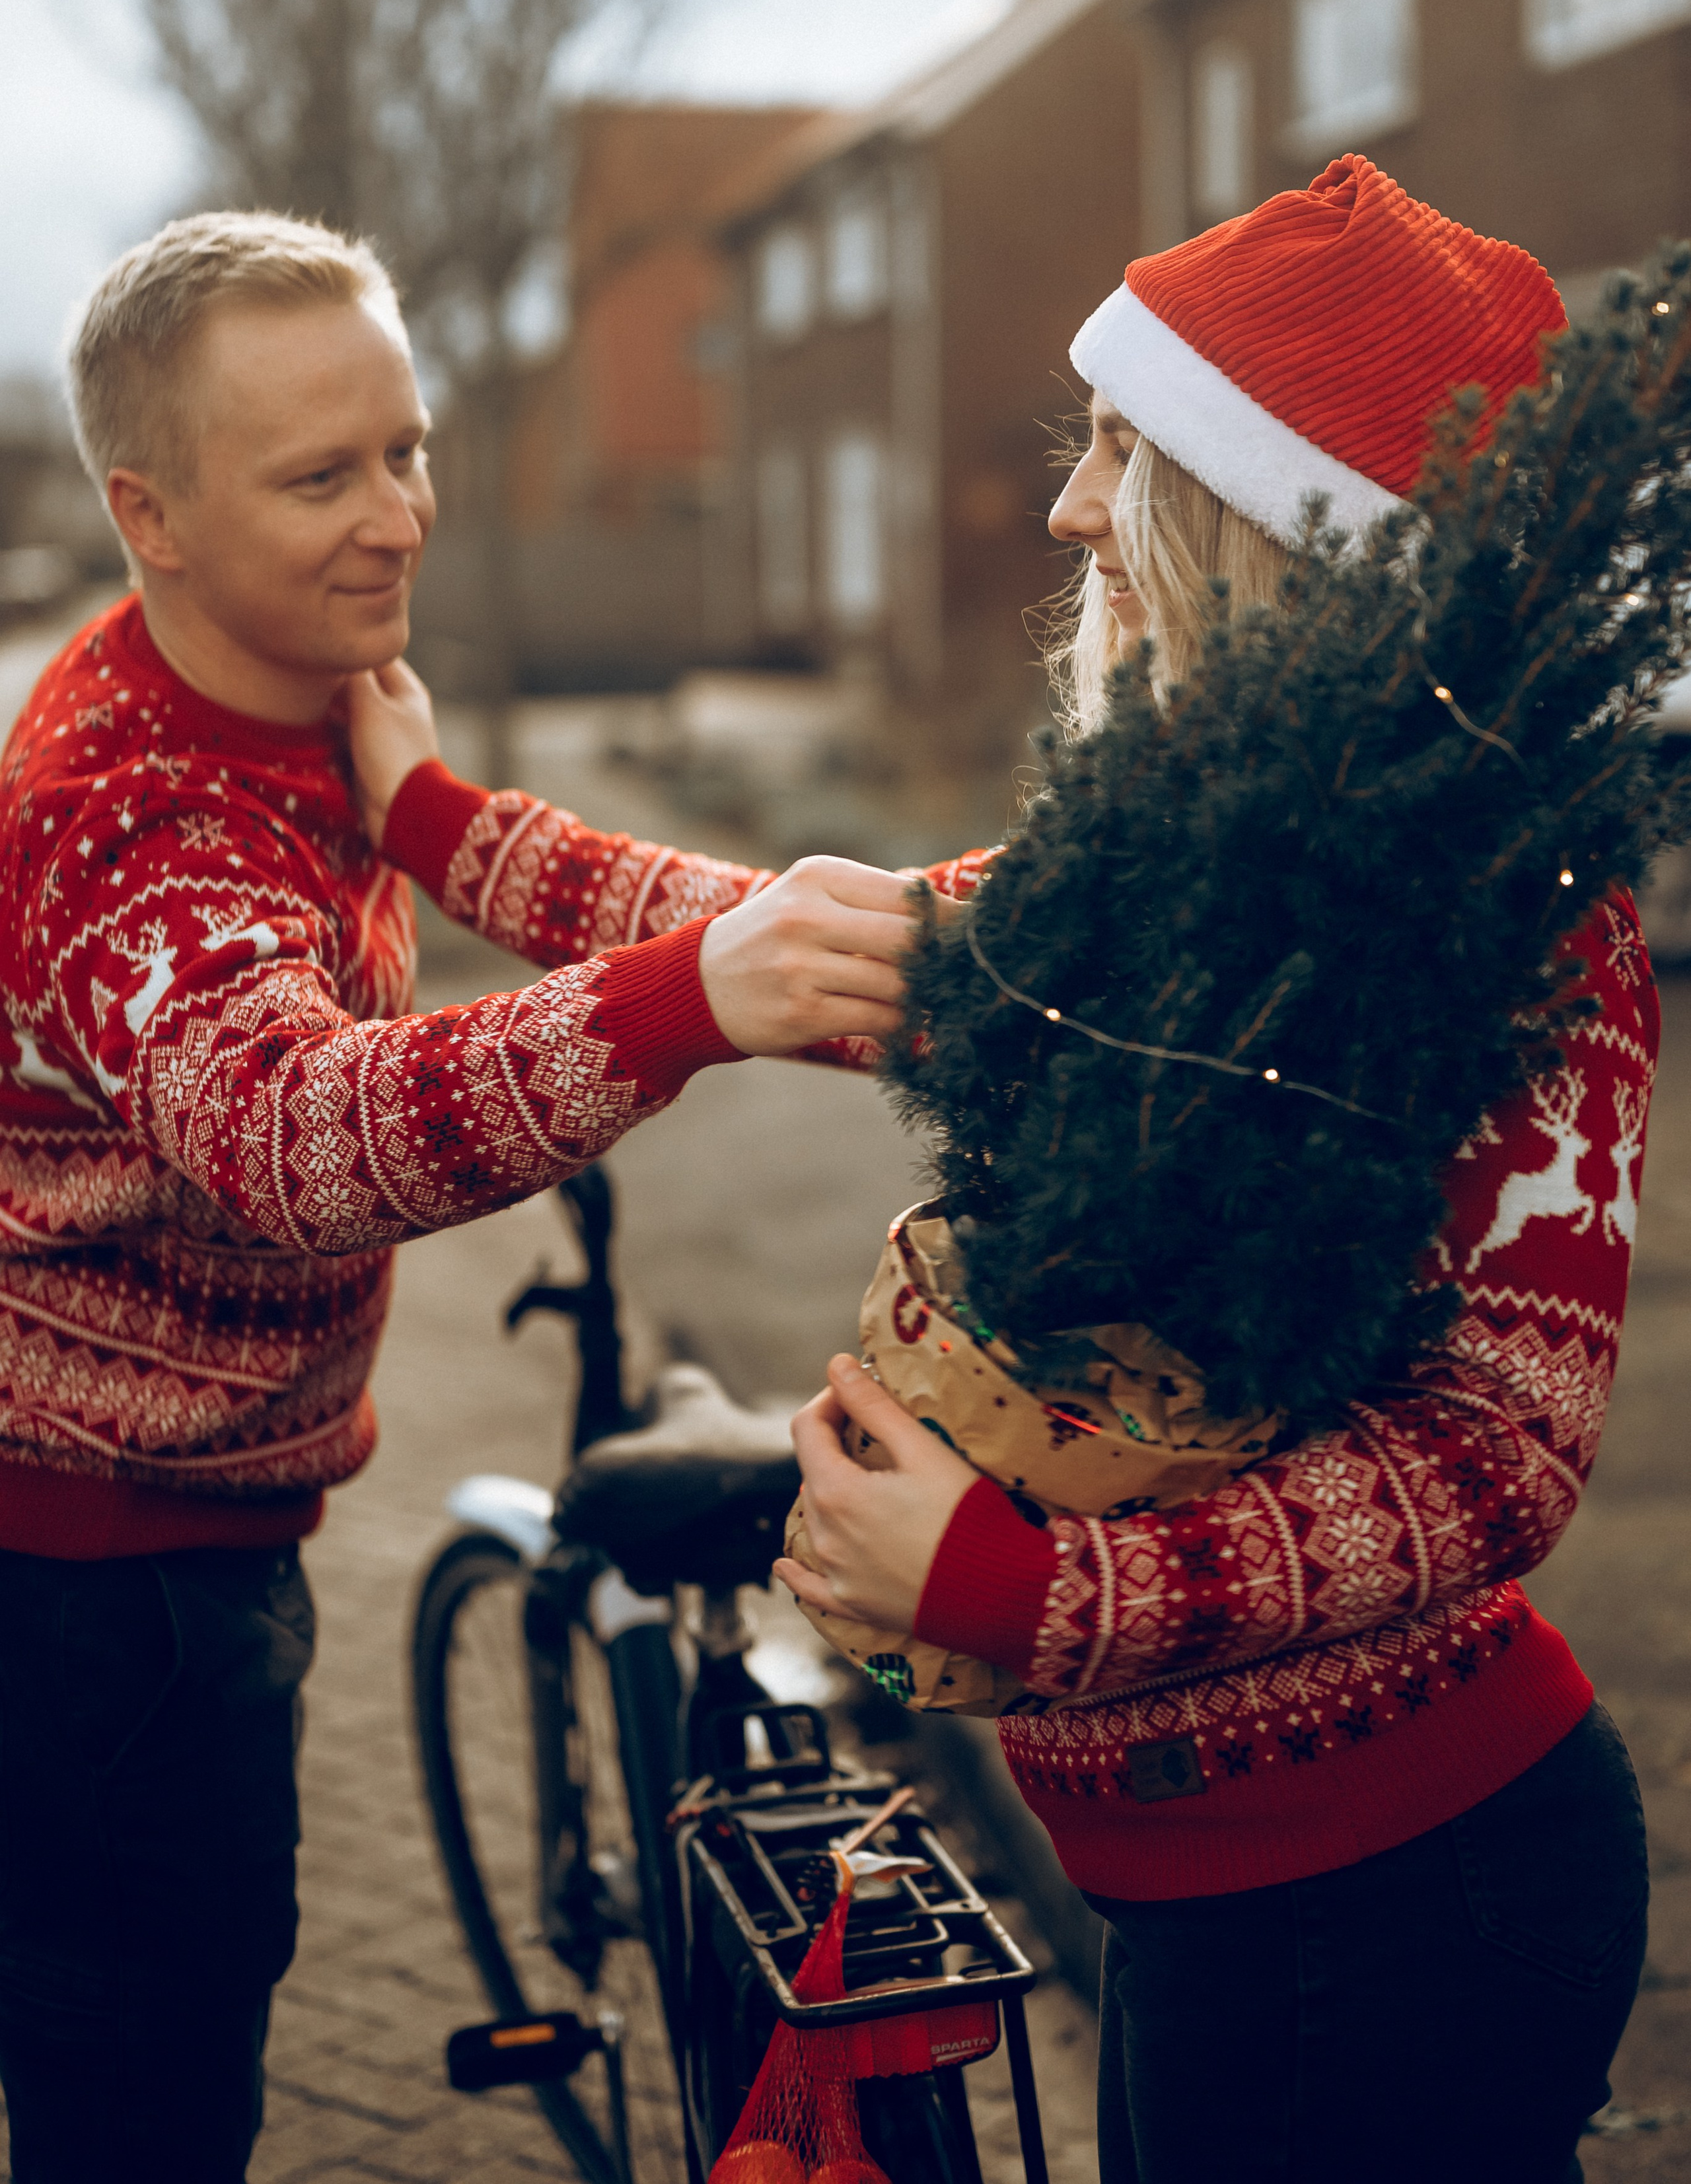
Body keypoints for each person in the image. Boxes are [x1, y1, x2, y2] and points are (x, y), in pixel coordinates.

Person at [0, 210, 935, 2184]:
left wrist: (897, 940)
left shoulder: (304, 698)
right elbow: (292, 1134)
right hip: (95, 1586)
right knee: (144, 2095)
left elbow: (699, 920)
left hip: (191, 1529)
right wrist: (698, 1003)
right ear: (148, 512)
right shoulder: (129, 807)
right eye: (320, 474)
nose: (396, 515)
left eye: (407, 449)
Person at [771, 160, 1655, 2183]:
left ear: (1270, 512)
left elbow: (1500, 1449)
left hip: (1411, 1901)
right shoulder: (1173, 868)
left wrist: (1027, 1586)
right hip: (1197, 1895)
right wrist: (431, 809)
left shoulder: (1519, 919)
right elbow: (821, 939)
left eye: (1121, 449)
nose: (1071, 510)